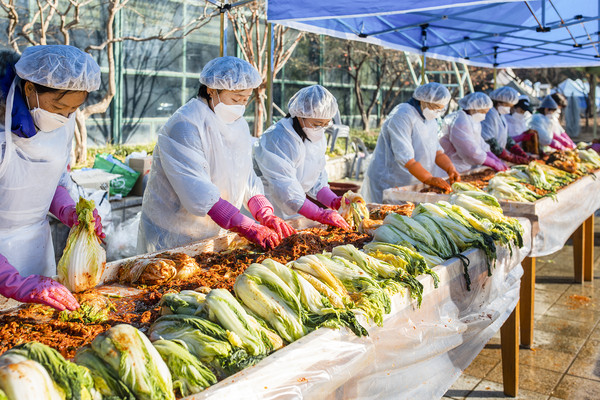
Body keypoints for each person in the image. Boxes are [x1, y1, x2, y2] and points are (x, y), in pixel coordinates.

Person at [138, 56, 296, 253]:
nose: (240, 106)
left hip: (213, 230)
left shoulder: (238, 125)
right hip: (172, 233)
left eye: (246, 99)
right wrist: (246, 225)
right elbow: (197, 191)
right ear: (211, 90)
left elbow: (245, 176)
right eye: (236, 98)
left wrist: (265, 212)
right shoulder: (185, 126)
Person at [0, 45, 104, 311]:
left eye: (73, 110)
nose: (65, 117)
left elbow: (50, 178)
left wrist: (69, 211)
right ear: (29, 89)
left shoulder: (61, 121)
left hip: (36, 244)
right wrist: (13, 282)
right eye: (59, 106)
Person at [253, 85, 350, 230]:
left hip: (296, 208)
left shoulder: (316, 136)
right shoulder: (279, 138)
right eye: (317, 124)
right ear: (299, 114)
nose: (320, 129)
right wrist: (320, 214)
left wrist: (333, 200)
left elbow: (316, 176)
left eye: (325, 124)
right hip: (267, 209)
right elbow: (285, 188)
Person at [362, 82, 460, 203]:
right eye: (435, 108)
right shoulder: (402, 116)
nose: (437, 112)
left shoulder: (430, 120)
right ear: (423, 100)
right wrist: (429, 178)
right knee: (385, 218)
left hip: (413, 181)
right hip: (389, 181)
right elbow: (407, 159)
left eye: (440, 109)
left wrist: (451, 169)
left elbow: (437, 152)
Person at [440, 92, 507, 173]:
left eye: (486, 112)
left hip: (463, 167)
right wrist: (493, 163)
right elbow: (471, 151)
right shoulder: (460, 122)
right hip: (451, 167)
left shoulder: (472, 120)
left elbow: (481, 144)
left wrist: (496, 159)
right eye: (482, 112)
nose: (484, 115)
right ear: (472, 108)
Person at [481, 86, 531, 165]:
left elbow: (506, 137)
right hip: (487, 159)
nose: (510, 109)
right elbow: (490, 142)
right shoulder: (489, 114)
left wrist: (519, 151)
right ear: (500, 102)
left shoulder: (500, 115)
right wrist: (511, 157)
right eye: (508, 106)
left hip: (497, 160)